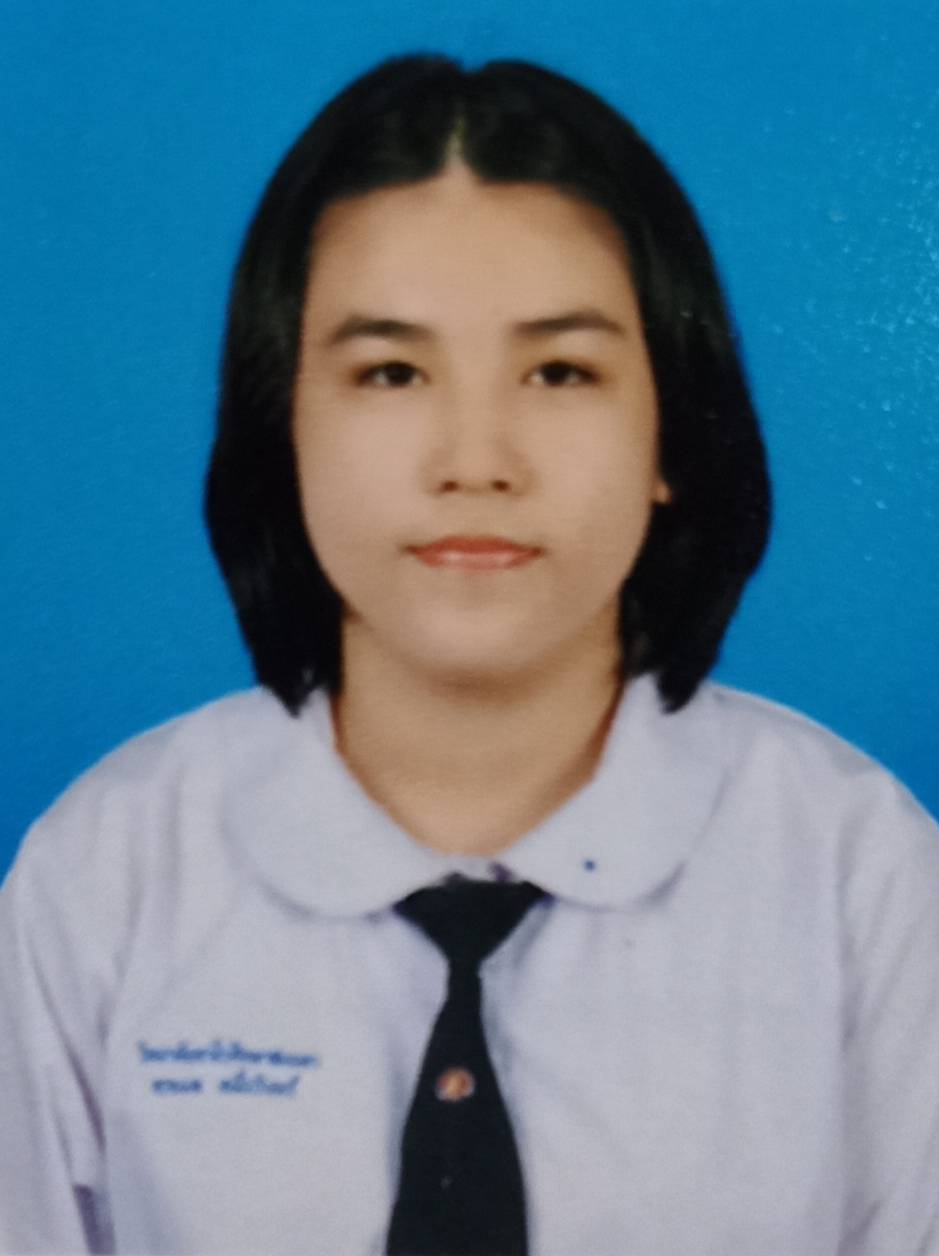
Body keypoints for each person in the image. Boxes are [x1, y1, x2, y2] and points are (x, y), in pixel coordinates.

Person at [1, 52, 938, 1256]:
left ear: (669, 431)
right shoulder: (106, 876)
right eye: (392, 371)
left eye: (560, 370)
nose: (476, 459)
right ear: (284, 423)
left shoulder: (862, 877)